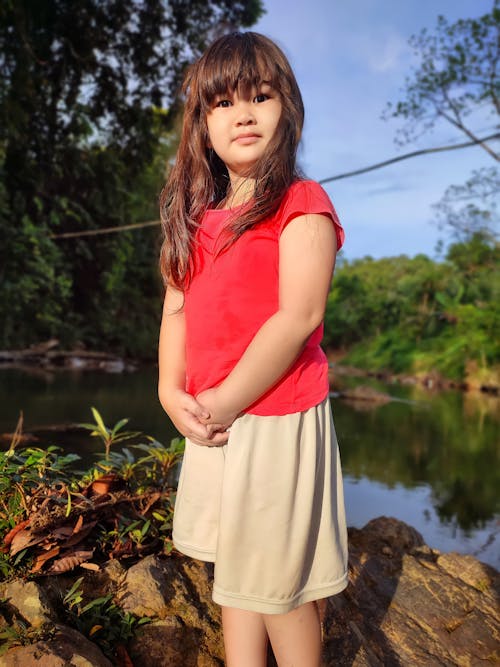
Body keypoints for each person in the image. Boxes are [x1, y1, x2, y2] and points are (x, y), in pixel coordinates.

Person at [158, 31, 348, 667]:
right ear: (202, 123)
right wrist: (170, 391)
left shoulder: (301, 203)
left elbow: (299, 317)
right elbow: (177, 307)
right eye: (223, 103)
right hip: (216, 417)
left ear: (286, 109)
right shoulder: (196, 214)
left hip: (273, 414)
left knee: (278, 588)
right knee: (235, 570)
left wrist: (225, 402)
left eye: (260, 96)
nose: (243, 113)